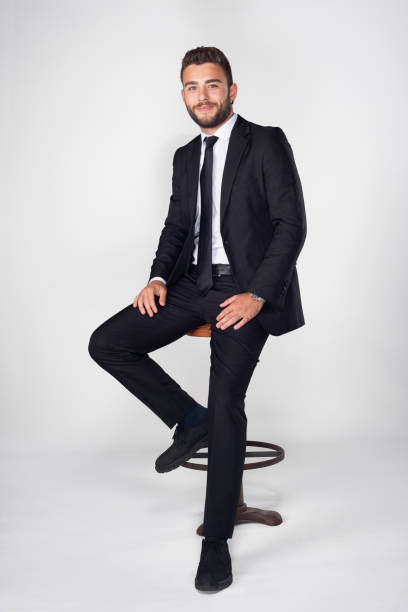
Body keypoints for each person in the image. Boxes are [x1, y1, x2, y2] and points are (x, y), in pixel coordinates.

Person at [88, 45, 307, 592]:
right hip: (191, 285)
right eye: (192, 87)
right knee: (108, 343)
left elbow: (291, 224)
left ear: (232, 91)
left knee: (228, 400)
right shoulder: (187, 156)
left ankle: (216, 541)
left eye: (212, 85)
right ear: (182, 94)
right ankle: (190, 420)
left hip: (245, 288)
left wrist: (258, 293)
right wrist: (159, 277)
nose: (202, 96)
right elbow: (177, 226)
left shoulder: (267, 141)